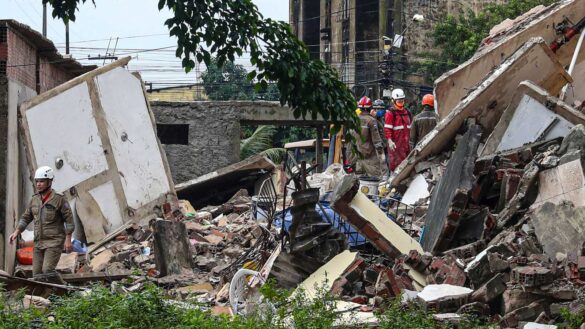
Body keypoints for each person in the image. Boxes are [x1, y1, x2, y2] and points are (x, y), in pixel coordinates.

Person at [9, 166, 74, 280]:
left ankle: (65, 291)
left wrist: (68, 240)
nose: (38, 184)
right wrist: (16, 232)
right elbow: (26, 217)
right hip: (39, 242)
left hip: (54, 241)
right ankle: (45, 295)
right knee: (37, 275)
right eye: (37, 181)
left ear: (50, 182)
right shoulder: (34, 199)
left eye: (42, 181)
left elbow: (69, 220)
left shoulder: (59, 199)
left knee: (48, 271)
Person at [350, 96, 386, 177]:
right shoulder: (371, 120)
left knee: (360, 181)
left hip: (358, 157)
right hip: (370, 157)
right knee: (376, 180)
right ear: (370, 108)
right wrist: (382, 155)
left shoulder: (355, 120)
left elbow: (351, 140)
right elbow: (377, 141)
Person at [384, 88, 412, 172]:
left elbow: (411, 128)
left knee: (407, 164)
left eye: (402, 100)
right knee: (396, 165)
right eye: (398, 101)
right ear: (393, 101)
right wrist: (389, 140)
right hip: (396, 145)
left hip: (406, 144)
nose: (400, 103)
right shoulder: (391, 113)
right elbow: (387, 128)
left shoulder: (407, 112)